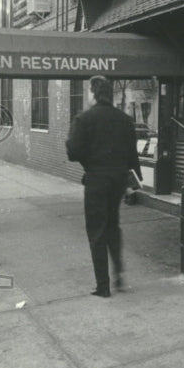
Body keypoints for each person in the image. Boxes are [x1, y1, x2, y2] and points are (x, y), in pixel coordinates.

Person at [66, 76, 142, 297]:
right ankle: (119, 276)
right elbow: (132, 154)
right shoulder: (125, 120)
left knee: (97, 231)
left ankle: (103, 286)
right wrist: (132, 184)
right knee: (113, 227)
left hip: (96, 181)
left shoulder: (84, 119)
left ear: (93, 92)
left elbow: (72, 152)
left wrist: (89, 160)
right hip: (118, 181)